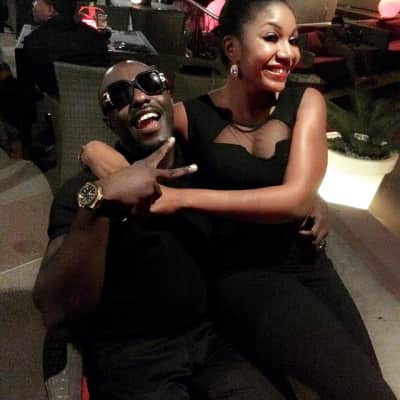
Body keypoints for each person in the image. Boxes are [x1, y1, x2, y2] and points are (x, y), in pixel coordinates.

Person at [80, 1, 397, 398]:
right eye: (271, 38)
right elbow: (133, 140)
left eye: (292, 40)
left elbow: (296, 199)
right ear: (232, 48)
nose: (288, 52)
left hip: (309, 262)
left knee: (370, 382)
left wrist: (183, 199)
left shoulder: (305, 100)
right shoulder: (191, 115)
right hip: (244, 277)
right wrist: (91, 150)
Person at [33, 60, 288, 400]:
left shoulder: (208, 164)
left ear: (170, 97)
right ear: (109, 122)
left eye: (150, 83)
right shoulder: (84, 190)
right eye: (119, 96)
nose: (139, 97)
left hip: (212, 338)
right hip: (132, 354)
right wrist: (101, 202)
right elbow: (55, 309)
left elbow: (266, 178)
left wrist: (304, 196)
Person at [18, 0, 110, 158]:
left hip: (58, 107)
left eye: (38, 1)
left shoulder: (34, 42)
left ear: (51, 9)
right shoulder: (94, 37)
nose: (33, 5)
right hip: (98, 109)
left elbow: (27, 93)